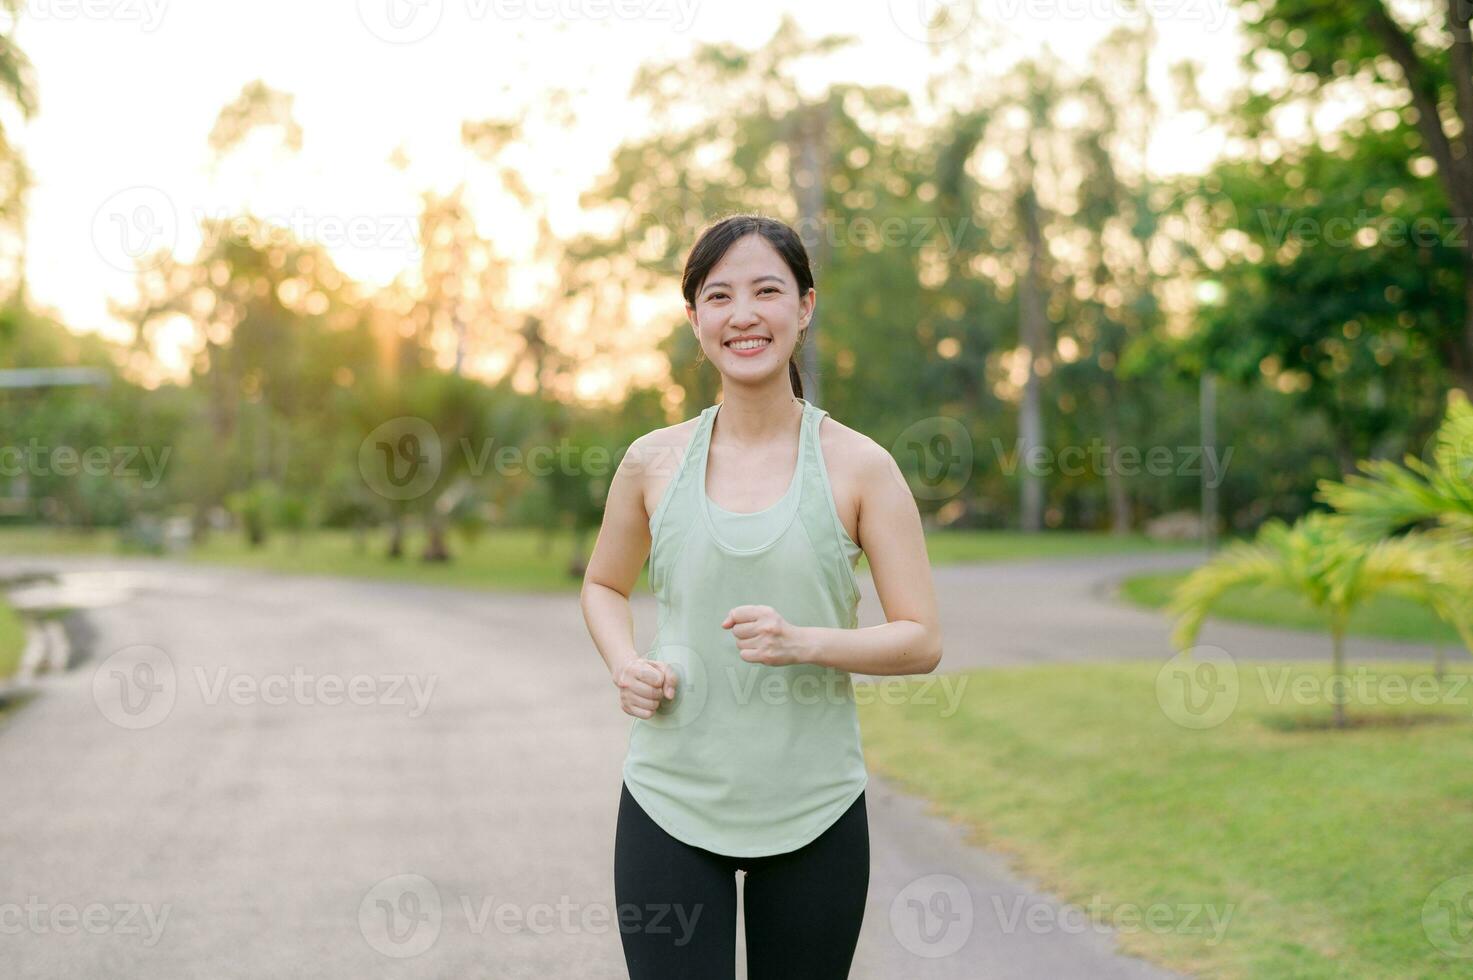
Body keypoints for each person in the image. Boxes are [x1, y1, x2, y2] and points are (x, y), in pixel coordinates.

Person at [580, 213, 943, 979]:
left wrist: (805, 641)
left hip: (815, 811)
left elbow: (919, 638)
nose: (743, 314)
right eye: (719, 296)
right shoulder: (651, 461)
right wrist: (623, 663)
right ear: (694, 319)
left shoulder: (859, 466)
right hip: (668, 803)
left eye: (767, 290)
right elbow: (604, 584)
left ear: (804, 306)